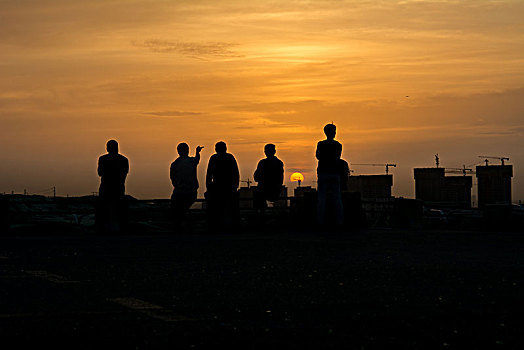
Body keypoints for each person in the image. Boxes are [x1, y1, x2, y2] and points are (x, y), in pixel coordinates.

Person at [96, 139, 129, 232]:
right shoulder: (124, 160)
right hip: (118, 188)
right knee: (118, 210)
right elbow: (124, 175)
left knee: (104, 210)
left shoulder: (102, 159)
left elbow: (100, 173)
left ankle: (104, 229)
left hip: (106, 188)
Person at [170, 143, 203, 230]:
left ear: (178, 151)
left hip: (179, 192)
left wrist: (178, 186)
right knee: (185, 209)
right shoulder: (191, 161)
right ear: (187, 150)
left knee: (177, 210)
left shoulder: (175, 164)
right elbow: (197, 159)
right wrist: (197, 152)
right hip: (191, 192)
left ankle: (178, 226)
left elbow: (172, 179)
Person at [205, 141, 240, 226]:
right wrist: (235, 186)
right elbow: (236, 173)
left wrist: (208, 187)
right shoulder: (230, 157)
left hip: (218, 187)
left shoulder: (213, 158)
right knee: (231, 208)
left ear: (216, 149)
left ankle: (214, 224)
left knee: (215, 208)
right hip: (229, 187)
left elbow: (209, 174)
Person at [315, 124, 344, 226]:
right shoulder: (338, 145)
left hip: (323, 172)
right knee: (337, 198)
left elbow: (318, 156)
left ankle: (320, 222)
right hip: (335, 173)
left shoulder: (320, 144)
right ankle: (339, 222)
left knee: (321, 199)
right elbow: (338, 157)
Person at [253, 144, 284, 214]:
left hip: (265, 191)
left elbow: (256, 178)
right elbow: (280, 180)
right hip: (275, 191)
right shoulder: (279, 163)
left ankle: (258, 215)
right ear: (275, 151)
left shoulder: (262, 163)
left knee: (257, 193)